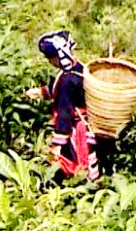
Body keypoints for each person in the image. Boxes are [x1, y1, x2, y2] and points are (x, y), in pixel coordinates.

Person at [24, 30, 100, 183]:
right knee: (90, 157)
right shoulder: (78, 67)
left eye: (49, 57)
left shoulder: (67, 80)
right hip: (88, 126)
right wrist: (41, 92)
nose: (48, 61)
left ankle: (78, 190)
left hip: (75, 130)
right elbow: (61, 86)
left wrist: (57, 144)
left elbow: (65, 113)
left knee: (73, 161)